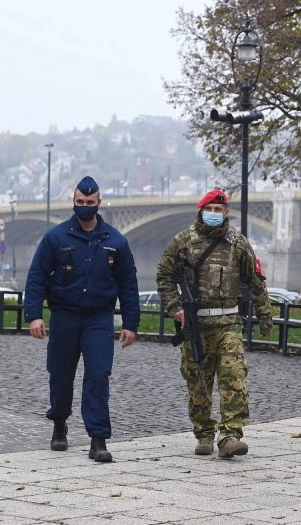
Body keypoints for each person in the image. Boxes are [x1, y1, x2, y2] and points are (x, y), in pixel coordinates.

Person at [24, 176, 140, 463]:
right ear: (74, 203)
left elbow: (128, 284)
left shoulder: (115, 241)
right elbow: (37, 276)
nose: (85, 207)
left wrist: (130, 323)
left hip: (99, 318)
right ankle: (59, 423)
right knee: (60, 375)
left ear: (99, 203)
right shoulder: (56, 237)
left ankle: (98, 439)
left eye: (90, 203)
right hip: (64, 317)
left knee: (98, 376)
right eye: (80, 203)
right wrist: (35, 315)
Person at [156, 189, 272, 459]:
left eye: (219, 210)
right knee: (198, 382)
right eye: (210, 209)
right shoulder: (183, 242)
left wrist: (265, 317)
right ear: (201, 210)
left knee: (234, 377)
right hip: (195, 324)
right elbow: (164, 275)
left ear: (226, 213)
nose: (214, 214)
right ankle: (204, 432)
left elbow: (256, 281)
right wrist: (175, 308)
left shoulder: (238, 243)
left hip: (228, 323)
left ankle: (230, 435)